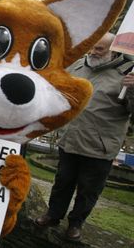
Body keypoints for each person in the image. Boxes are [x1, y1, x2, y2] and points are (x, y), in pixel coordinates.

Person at [34, 33, 134, 241]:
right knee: (62, 182)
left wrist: (132, 90)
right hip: (70, 139)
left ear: (114, 50)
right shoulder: (79, 66)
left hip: (100, 146)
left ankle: (76, 224)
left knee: (88, 190)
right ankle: (53, 215)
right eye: (92, 47)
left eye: (100, 49)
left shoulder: (126, 75)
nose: (93, 52)